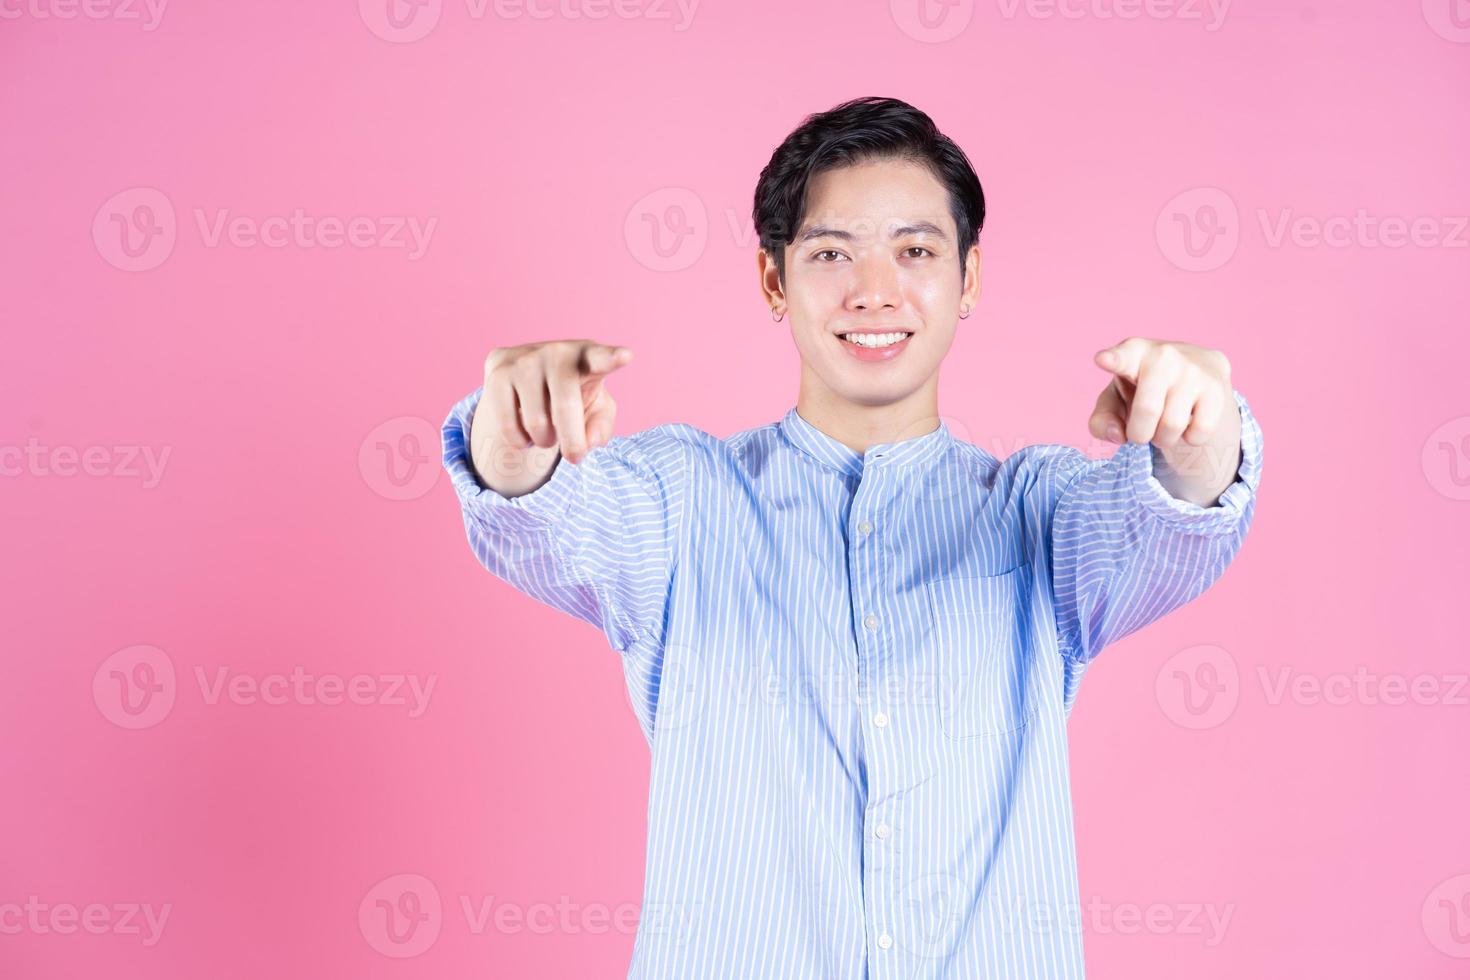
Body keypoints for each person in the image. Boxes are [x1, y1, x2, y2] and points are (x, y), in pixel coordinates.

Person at [439, 95, 1263, 979]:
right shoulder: (685, 501)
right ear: (773, 281)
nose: (875, 290)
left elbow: (1168, 520)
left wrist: (1198, 435)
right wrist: (515, 436)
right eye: (832, 252)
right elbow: (554, 520)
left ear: (969, 279)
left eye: (916, 250)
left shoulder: (1039, 510)